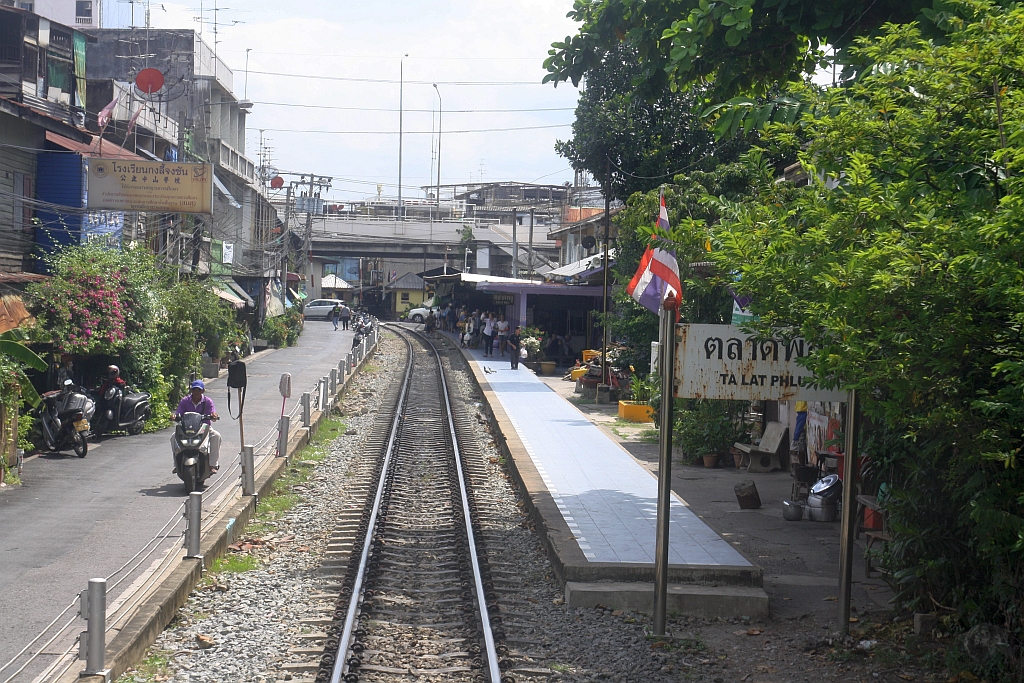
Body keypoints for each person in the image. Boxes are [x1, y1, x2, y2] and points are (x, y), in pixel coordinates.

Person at [173, 380, 222, 473]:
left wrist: (213, 416)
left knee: (216, 436)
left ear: (202, 391)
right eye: (194, 390)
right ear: (191, 390)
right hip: (187, 429)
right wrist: (175, 416)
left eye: (198, 390)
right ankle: (177, 464)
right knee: (173, 437)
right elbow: (178, 413)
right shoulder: (185, 401)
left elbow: (213, 414)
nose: (196, 392)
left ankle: (212, 464)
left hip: (203, 428)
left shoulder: (208, 401)